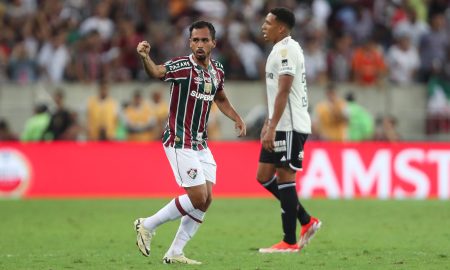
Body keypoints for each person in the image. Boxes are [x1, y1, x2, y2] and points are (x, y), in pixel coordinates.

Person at [134, 20, 246, 264]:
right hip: (178, 140)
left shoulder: (217, 70)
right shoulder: (182, 66)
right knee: (197, 197)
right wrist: (145, 57)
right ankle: (147, 225)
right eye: (195, 40)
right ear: (189, 43)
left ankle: (175, 252)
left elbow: (221, 98)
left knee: (206, 199)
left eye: (204, 40)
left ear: (213, 43)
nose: (199, 44)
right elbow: (156, 72)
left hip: (200, 144)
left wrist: (237, 118)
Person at [257, 7, 321, 254]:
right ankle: (306, 220)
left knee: (285, 178)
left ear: (281, 27)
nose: (264, 26)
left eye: (268, 22)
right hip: (280, 123)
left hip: (290, 125)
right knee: (263, 176)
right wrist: (268, 122)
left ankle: (289, 241)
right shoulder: (279, 49)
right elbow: (276, 93)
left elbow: (284, 90)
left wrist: (273, 126)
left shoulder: (286, 50)